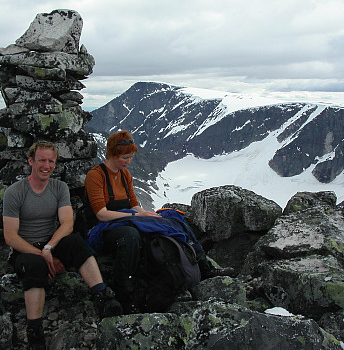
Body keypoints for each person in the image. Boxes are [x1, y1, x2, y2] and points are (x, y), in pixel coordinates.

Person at [84, 131, 234, 313]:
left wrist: (146, 215)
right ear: (113, 154)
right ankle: (126, 294)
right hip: (103, 228)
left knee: (171, 220)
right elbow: (101, 214)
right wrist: (135, 217)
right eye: (125, 157)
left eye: (130, 157)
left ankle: (203, 265)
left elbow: (133, 204)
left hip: (125, 220)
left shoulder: (125, 175)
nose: (128, 162)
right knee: (130, 237)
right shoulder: (96, 175)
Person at [3, 141, 120, 350]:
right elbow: (11, 237)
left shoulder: (59, 187)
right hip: (26, 248)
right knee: (35, 266)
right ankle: (35, 330)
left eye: (51, 161)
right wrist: (41, 254)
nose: (46, 166)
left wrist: (49, 248)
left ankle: (102, 296)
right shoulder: (15, 192)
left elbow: (67, 223)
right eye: (42, 160)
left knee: (76, 242)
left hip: (51, 242)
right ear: (31, 161)